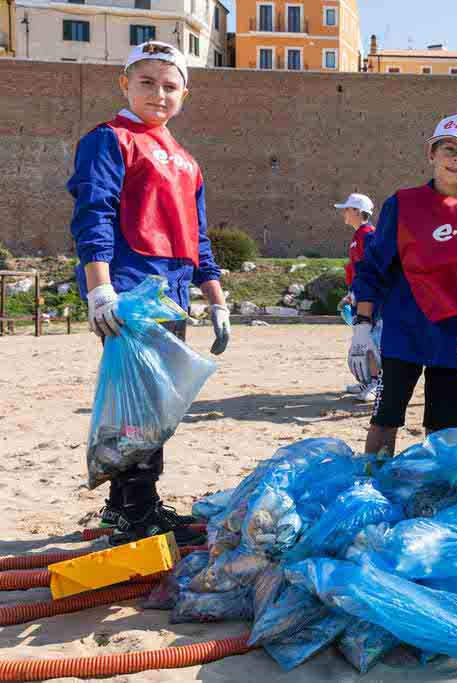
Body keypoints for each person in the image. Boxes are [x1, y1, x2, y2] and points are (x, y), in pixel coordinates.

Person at [68, 41, 229, 546]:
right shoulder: (110, 139)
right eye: (147, 82)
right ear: (125, 84)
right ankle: (139, 510)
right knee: (142, 407)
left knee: (157, 404)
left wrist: (216, 296)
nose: (159, 94)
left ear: (185, 92)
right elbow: (93, 213)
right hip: (131, 290)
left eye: (170, 85)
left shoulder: (185, 159)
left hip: (173, 292)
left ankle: (124, 506)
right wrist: (100, 289)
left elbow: (197, 235)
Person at [350, 113, 457, 457]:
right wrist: (362, 327)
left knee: (448, 428)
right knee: (386, 418)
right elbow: (372, 269)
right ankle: (374, 486)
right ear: (432, 154)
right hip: (404, 331)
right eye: (449, 149)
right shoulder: (403, 204)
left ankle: (439, 497)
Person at [336, 192, 378, 402]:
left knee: (371, 340)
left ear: (357, 211)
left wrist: (361, 296)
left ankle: (376, 382)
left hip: (370, 300)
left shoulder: (368, 234)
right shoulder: (359, 235)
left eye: (347, 208)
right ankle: (368, 380)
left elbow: (370, 271)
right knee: (364, 341)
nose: (344, 212)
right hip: (360, 295)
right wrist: (351, 293)